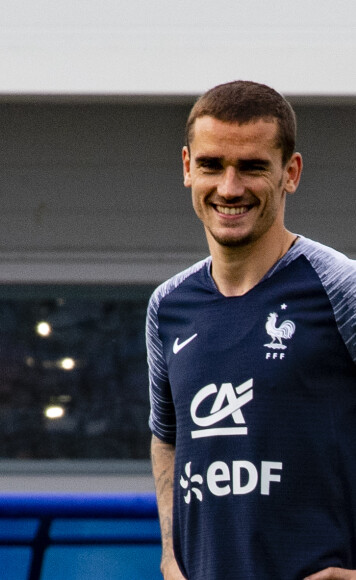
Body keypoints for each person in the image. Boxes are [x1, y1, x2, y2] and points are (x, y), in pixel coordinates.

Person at [147, 81, 356, 580]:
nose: (230, 187)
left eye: (253, 167)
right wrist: (172, 557)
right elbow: (168, 438)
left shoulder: (340, 287)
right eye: (212, 165)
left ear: (291, 173)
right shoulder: (168, 305)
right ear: (186, 167)